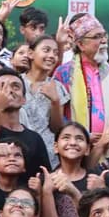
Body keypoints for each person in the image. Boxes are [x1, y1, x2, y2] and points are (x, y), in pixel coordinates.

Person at [54, 14, 109, 134]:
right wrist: (82, 136)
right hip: (76, 142)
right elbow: (59, 116)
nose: (104, 41)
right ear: (81, 44)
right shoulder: (64, 73)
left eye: (104, 35)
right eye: (97, 37)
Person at [0, 67, 52, 180]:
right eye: (2, 87)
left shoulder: (35, 138)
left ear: (24, 99)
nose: (10, 91)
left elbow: (45, 176)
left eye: (15, 86)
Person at [21, 35, 70, 168]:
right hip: (18, 151)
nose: (51, 56)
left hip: (47, 154)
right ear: (31, 53)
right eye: (46, 50)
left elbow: (56, 128)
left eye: (55, 53)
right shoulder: (16, 82)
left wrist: (55, 101)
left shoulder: (57, 87)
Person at [40, 121, 94, 217]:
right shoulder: (45, 180)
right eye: (66, 138)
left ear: (88, 149)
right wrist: (47, 192)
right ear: (56, 147)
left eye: (79, 138)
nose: (73, 143)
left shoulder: (96, 179)